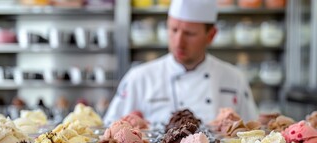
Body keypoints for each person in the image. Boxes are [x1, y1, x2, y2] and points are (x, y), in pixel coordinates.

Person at [104, 0, 258, 125]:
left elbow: (253, 134)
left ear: (211, 35)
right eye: (173, 30)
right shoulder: (139, 78)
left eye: (189, 33)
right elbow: (108, 131)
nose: (178, 42)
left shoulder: (234, 78)